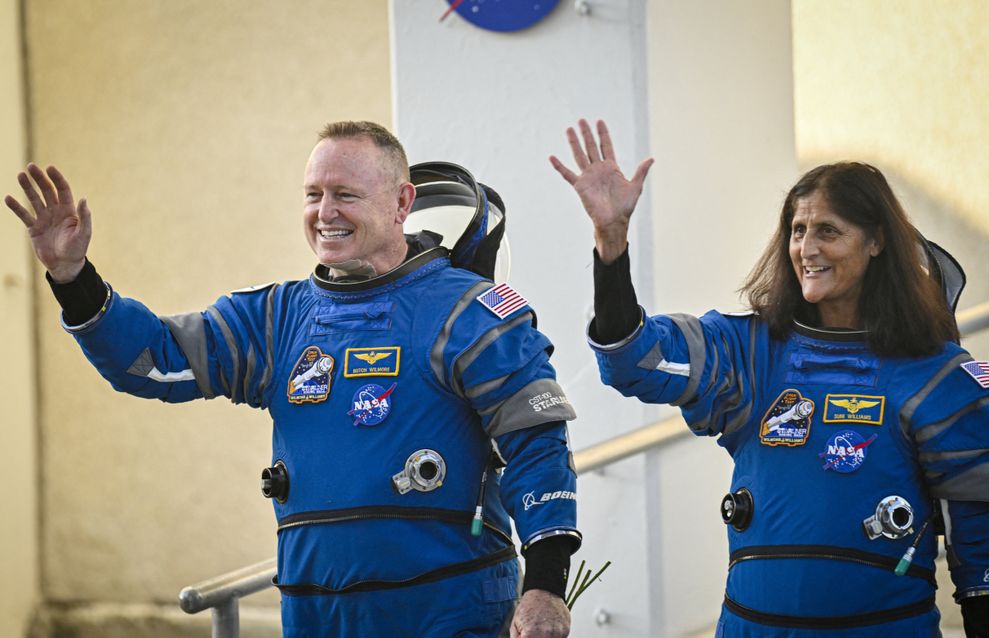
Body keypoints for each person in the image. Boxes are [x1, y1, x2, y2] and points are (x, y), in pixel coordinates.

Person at [7, 120, 581, 638]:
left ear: (402, 202)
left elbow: (537, 444)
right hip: (315, 614)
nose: (325, 212)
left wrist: (546, 585)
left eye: (346, 195)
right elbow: (155, 361)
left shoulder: (469, 313)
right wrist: (73, 276)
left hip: (450, 612)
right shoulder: (275, 319)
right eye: (313, 194)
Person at [550, 118, 989, 637]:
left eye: (828, 231)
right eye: (798, 230)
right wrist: (611, 244)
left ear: (877, 242)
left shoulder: (935, 374)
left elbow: (979, 524)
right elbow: (634, 361)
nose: (806, 248)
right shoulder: (749, 352)